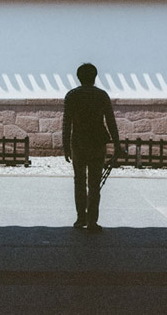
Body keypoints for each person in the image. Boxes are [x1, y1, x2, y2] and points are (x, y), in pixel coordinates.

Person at [62, 63, 123, 232]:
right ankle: (92, 221)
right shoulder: (102, 96)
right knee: (94, 183)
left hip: (78, 142)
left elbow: (67, 123)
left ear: (79, 77)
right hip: (97, 142)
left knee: (79, 181)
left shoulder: (72, 96)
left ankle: (80, 218)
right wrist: (117, 143)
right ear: (95, 77)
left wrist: (65, 145)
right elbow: (110, 121)